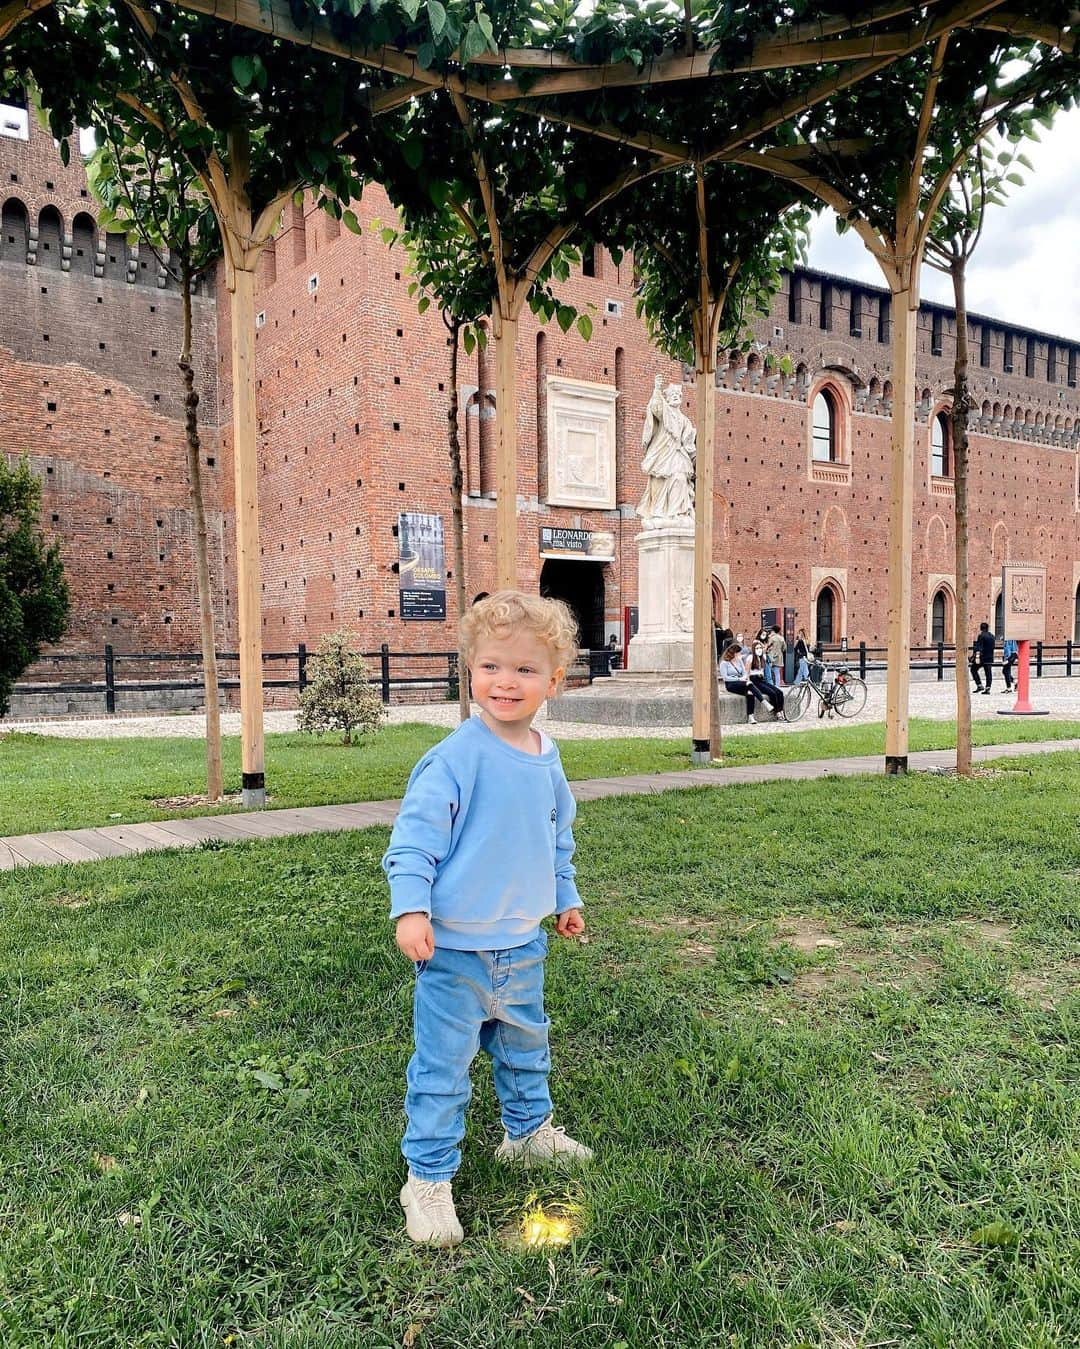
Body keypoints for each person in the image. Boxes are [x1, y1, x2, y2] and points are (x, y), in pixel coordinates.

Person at [382, 591, 593, 1248]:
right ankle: (427, 1177)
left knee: (527, 1047)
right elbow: (413, 841)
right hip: (453, 953)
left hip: (521, 943)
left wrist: (565, 894)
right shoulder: (455, 758)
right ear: (469, 670)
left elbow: (556, 835)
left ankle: (527, 1132)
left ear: (554, 680)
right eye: (492, 667)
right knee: (443, 1069)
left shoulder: (546, 758)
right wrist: (411, 906)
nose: (507, 682)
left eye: (526, 670)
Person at [636, 374, 697, 526]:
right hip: (662, 454)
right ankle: (658, 512)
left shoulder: (684, 420)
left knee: (679, 478)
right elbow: (656, 408)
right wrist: (657, 389)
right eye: (673, 395)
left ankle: (676, 512)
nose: (676, 397)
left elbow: (688, 442)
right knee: (659, 483)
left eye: (678, 395)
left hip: (677, 454)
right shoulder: (665, 412)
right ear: (668, 398)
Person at [720, 641, 771, 723]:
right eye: (739, 653)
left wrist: (744, 677)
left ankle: (751, 717)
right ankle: (764, 702)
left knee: (750, 693)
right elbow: (725, 678)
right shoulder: (724, 663)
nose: (741, 655)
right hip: (731, 684)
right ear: (734, 654)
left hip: (742, 683)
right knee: (749, 684)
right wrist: (739, 679)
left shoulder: (739, 661)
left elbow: (744, 672)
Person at [748, 636, 785, 717]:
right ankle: (777, 712)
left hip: (761, 679)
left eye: (760, 648)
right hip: (754, 679)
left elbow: (765, 649)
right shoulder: (750, 658)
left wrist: (764, 646)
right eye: (757, 648)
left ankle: (781, 710)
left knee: (779, 692)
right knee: (772, 693)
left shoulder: (763, 657)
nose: (759, 650)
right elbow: (746, 672)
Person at [971, 621, 996, 693]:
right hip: (990, 657)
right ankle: (988, 688)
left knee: (973, 669)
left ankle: (979, 685)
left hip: (982, 658)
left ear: (981, 628)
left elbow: (979, 647)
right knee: (988, 673)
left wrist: (974, 656)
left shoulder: (981, 636)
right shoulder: (992, 636)